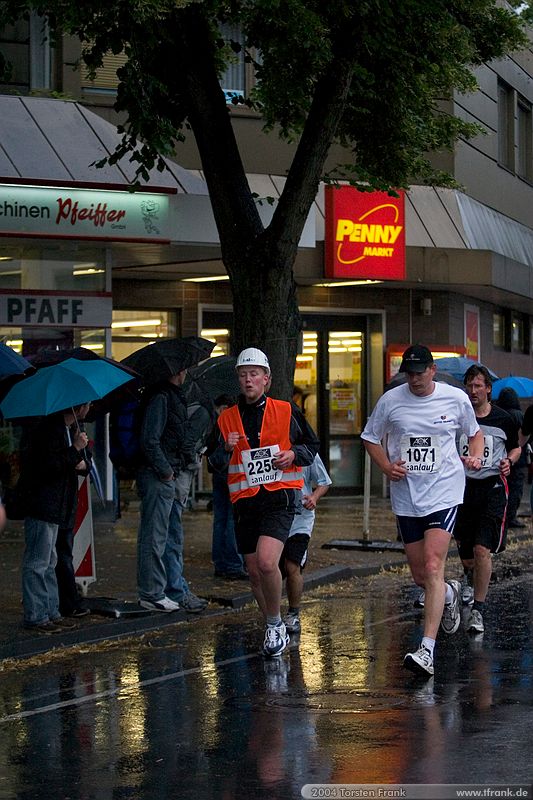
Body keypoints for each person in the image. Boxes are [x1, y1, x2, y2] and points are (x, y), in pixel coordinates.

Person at [361, 344, 484, 677]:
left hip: (444, 491)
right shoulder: (391, 401)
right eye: (409, 373)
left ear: (432, 370)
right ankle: (449, 591)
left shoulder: (454, 398)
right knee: (422, 576)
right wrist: (386, 467)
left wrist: (474, 455)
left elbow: (475, 434)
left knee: (432, 564)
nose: (414, 379)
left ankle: (426, 650)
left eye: (420, 372)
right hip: (407, 496)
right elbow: (370, 438)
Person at [208, 347, 319, 657]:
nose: (248, 380)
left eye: (254, 374)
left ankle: (274, 624)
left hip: (279, 497)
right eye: (243, 375)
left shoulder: (286, 410)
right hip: (245, 503)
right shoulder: (226, 419)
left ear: (266, 380)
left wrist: (293, 455)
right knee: (255, 571)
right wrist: (224, 449)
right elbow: (213, 463)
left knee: (269, 561)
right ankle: (272, 619)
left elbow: (311, 445)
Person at [454, 365, 521, 636]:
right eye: (469, 386)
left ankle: (479, 610)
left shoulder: (504, 419)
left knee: (483, 550)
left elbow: (515, 447)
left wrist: (509, 461)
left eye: (478, 386)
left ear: (488, 389)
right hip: (461, 488)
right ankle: (469, 576)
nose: (473, 391)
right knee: (466, 549)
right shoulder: (458, 418)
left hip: (492, 488)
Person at [137, 369, 207, 613]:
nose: (186, 372)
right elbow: (150, 440)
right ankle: (152, 593)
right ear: (177, 371)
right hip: (160, 474)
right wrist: (166, 471)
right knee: (156, 536)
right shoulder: (162, 398)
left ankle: (158, 590)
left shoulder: (165, 396)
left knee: (161, 535)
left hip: (165, 472)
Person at [18, 403, 92, 633]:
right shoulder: (48, 431)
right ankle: (37, 615)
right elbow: (47, 466)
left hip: (56, 505)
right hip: (44, 503)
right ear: (79, 408)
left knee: (50, 561)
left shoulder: (66, 431)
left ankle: (50, 611)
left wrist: (81, 460)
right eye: (88, 405)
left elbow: (76, 463)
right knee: (39, 562)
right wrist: (75, 451)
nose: (89, 409)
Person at [281, 452, 332, 634]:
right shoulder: (269, 449)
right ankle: (272, 618)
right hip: (274, 519)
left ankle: (293, 613)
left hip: (300, 520)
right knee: (271, 568)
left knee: (291, 566)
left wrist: (314, 497)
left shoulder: (307, 453)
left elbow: (324, 482)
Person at [210, 394, 247, 580]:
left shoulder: (215, 423)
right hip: (232, 474)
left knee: (220, 520)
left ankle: (220, 563)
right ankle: (233, 564)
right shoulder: (232, 423)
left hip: (218, 473)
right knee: (233, 520)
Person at [495, 387, 527, 529]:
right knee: (515, 489)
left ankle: (501, 515)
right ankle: (511, 517)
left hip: (501, 458)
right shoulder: (520, 415)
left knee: (502, 488)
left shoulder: (499, 414)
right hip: (518, 459)